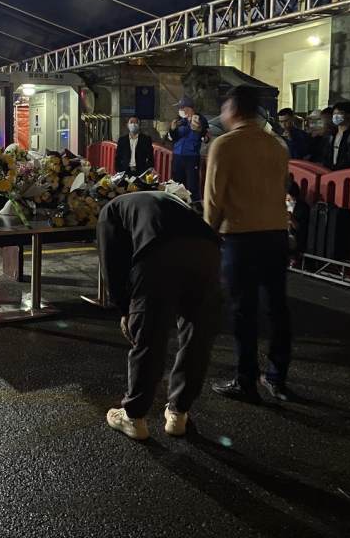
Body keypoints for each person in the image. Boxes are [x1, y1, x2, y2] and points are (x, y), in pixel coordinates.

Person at [98, 191, 222, 440]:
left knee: (150, 334)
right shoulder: (161, 199)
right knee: (196, 335)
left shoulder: (108, 212)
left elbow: (111, 264)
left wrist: (125, 310)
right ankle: (178, 414)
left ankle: (134, 416)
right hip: (208, 250)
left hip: (159, 250)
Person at [204, 86, 292, 403]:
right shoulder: (277, 145)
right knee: (277, 307)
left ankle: (246, 379)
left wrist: (208, 233)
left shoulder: (224, 144)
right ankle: (277, 377)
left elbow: (214, 197)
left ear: (234, 109)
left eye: (225, 108)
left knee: (244, 310)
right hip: (276, 233)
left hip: (240, 236)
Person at [166, 96, 208, 200]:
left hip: (191, 157)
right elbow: (171, 138)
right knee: (176, 185)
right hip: (177, 156)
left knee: (192, 186)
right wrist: (172, 129)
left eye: (181, 108)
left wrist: (199, 130)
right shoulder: (179, 120)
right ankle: (177, 205)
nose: (179, 110)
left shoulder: (200, 119)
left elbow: (206, 138)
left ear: (188, 108)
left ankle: (193, 207)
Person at [321, 101, 350, 171]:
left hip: (346, 174)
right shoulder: (331, 136)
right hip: (331, 173)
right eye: (334, 114)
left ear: (348, 115)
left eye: (339, 113)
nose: (336, 116)